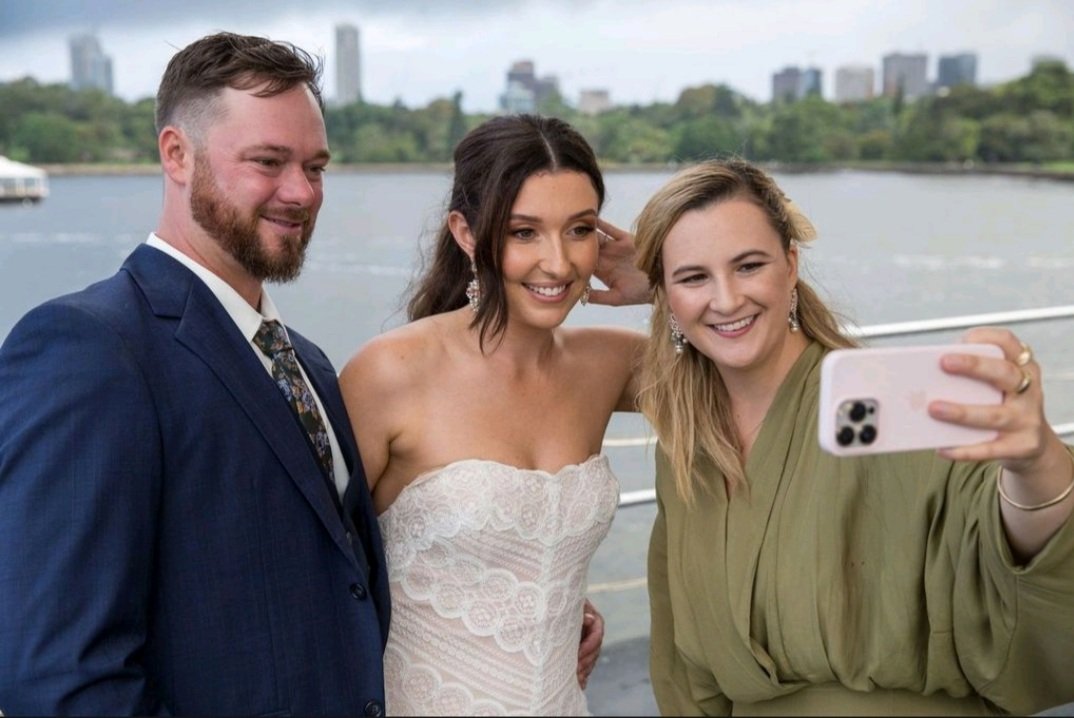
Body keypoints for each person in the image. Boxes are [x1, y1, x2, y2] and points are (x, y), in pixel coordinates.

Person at [0, 32, 389, 716]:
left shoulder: (310, 364)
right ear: (177, 154)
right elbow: (59, 676)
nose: (301, 192)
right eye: (268, 161)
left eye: (316, 166)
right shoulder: (89, 350)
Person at [622, 158, 1074, 715]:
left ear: (790, 267)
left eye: (749, 266)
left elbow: (1000, 532)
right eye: (694, 277)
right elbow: (679, 658)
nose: (727, 299)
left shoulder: (886, 404)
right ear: (664, 296)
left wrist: (1036, 463)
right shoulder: (687, 443)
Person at [338, 114, 644, 716]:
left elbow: (767, 380)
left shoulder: (611, 363)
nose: (557, 263)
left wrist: (659, 280)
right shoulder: (390, 374)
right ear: (467, 232)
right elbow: (316, 570)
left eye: (579, 230)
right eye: (524, 232)